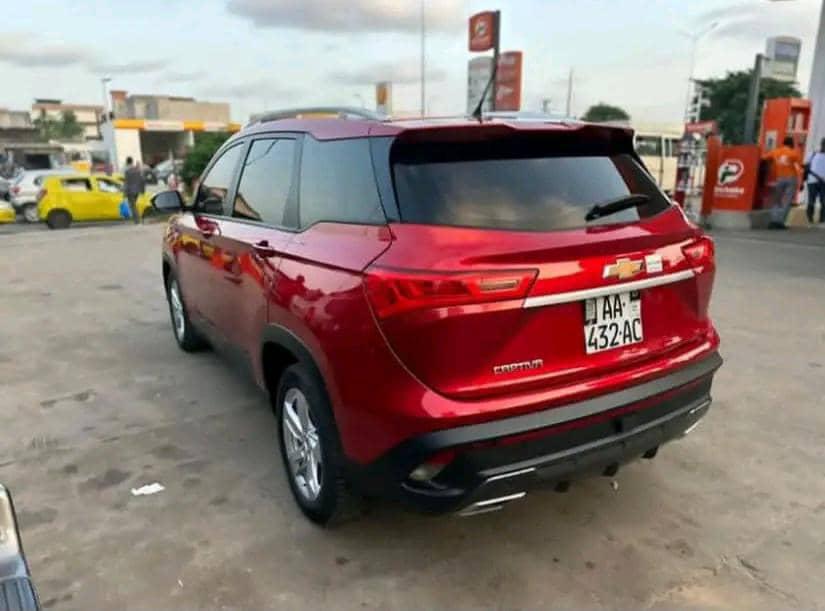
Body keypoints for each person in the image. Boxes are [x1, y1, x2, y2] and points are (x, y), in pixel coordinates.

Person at [762, 136, 802, 229]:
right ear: (791, 144)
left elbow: (764, 158)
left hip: (779, 178)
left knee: (776, 199)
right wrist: (801, 182)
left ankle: (774, 220)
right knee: (787, 201)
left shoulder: (775, 152)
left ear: (783, 143)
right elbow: (799, 167)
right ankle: (780, 222)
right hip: (791, 178)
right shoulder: (794, 153)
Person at [804, 137, 825, 224]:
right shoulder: (812, 154)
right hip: (812, 181)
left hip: (823, 182)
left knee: (823, 201)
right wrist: (817, 176)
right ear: (821, 144)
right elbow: (806, 167)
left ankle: (822, 219)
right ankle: (810, 218)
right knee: (811, 200)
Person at [122, 156, 145, 225]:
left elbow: (126, 183)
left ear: (127, 162)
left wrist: (124, 193)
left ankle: (137, 221)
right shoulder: (137, 170)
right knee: (134, 205)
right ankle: (138, 220)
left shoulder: (127, 171)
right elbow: (142, 180)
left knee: (133, 206)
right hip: (137, 191)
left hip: (130, 191)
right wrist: (142, 190)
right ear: (132, 162)